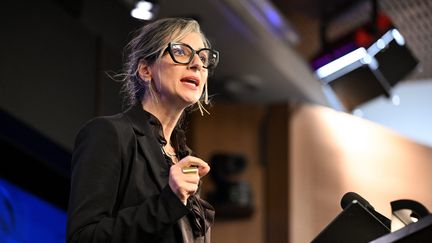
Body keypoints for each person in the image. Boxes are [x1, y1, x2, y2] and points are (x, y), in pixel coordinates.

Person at [66, 17, 220, 243]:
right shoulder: (110, 134)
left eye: (203, 57)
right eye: (181, 51)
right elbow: (84, 238)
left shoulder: (186, 161)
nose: (197, 63)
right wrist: (169, 201)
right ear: (146, 70)